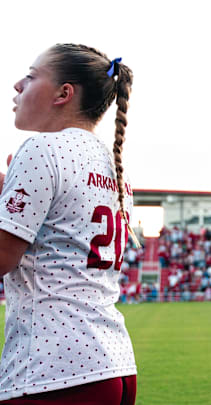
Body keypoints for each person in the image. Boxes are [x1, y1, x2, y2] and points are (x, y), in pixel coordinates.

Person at [0, 44, 137, 404]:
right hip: (114, 362)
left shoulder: (42, 149)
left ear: (64, 93)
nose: (17, 85)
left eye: (30, 77)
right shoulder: (112, 166)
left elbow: (2, 257)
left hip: (53, 369)